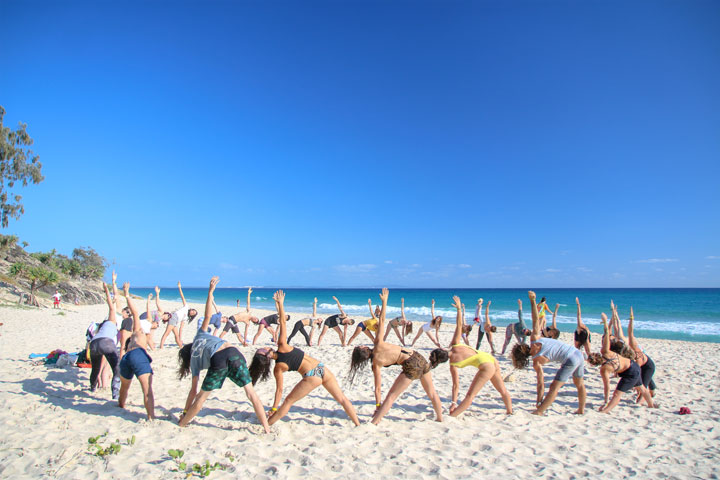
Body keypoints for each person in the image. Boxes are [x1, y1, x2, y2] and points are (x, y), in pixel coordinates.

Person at [249, 290, 360, 426]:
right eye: (264, 349)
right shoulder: (282, 347)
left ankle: (268, 424)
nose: (265, 347)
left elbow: (279, 390)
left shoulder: (278, 367)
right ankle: (357, 424)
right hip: (321, 368)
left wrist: (274, 407)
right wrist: (281, 304)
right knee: (342, 399)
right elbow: (283, 324)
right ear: (266, 355)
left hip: (313, 375)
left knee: (289, 402)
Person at [177, 277, 270, 433]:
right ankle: (266, 428)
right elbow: (208, 316)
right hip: (234, 352)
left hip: (219, 359)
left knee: (202, 396)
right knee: (250, 393)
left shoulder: (194, 361)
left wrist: (185, 411)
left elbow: (193, 392)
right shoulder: (199, 336)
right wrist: (210, 292)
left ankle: (182, 423)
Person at [348, 288, 443, 425]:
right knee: (432, 393)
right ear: (363, 349)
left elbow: (378, 388)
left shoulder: (375, 363)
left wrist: (378, 406)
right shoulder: (378, 344)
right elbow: (382, 320)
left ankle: (375, 422)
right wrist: (385, 301)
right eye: (360, 346)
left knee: (391, 397)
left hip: (411, 364)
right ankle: (440, 418)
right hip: (418, 357)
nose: (361, 345)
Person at [430, 295, 512, 417]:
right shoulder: (455, 344)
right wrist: (458, 309)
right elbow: (458, 326)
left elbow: (455, 385)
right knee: (502, 390)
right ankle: (510, 411)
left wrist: (453, 403)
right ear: (442, 349)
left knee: (470, 396)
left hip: (487, 366)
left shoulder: (453, 364)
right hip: (492, 359)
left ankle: (453, 416)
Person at [510, 291, 586, 415]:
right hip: (578, 353)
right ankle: (581, 410)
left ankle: (540, 411)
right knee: (580, 384)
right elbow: (535, 319)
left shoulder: (536, 360)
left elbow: (541, 384)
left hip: (571, 359)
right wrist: (533, 301)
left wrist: (539, 400)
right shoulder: (535, 339)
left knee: (554, 387)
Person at [587, 313, 656, 413]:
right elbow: (606, 335)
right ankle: (651, 405)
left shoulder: (604, 366)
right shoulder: (605, 353)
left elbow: (607, 387)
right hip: (632, 366)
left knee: (617, 394)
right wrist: (605, 322)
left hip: (631, 371)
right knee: (642, 388)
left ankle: (605, 411)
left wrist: (606, 402)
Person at [118, 285, 156, 420]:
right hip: (138, 354)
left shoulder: (141, 335)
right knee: (147, 389)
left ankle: (121, 405)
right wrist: (127, 295)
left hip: (127, 357)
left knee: (124, 387)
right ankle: (151, 416)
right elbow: (135, 312)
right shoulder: (139, 330)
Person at [89, 282, 121, 399]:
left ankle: (92, 387)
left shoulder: (101, 328)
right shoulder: (111, 321)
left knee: (95, 369)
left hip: (94, 344)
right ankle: (115, 394)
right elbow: (110, 305)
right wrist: (107, 290)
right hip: (106, 343)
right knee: (117, 368)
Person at [627, 307, 657, 400]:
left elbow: (630, 332)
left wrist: (632, 318)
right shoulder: (629, 351)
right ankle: (653, 391)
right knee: (646, 380)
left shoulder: (635, 348)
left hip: (648, 366)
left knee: (643, 385)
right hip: (643, 364)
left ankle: (641, 401)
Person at [158, 282, 198, 349]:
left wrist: (180, 337)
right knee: (167, 333)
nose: (192, 312)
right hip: (173, 317)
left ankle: (180, 346)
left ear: (192, 316)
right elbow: (182, 297)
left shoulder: (186, 318)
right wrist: (179, 287)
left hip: (175, 322)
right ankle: (161, 347)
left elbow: (181, 328)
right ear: (191, 309)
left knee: (176, 336)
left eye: (193, 313)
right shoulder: (186, 307)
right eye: (193, 311)